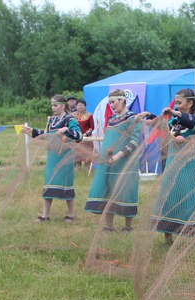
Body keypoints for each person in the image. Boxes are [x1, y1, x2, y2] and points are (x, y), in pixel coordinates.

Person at [144, 88, 195, 245]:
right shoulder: (175, 122)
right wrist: (149, 116)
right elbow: (162, 123)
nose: (177, 106)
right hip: (172, 165)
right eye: (175, 103)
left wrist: (175, 113)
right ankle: (168, 237)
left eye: (179, 103)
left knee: (191, 200)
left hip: (190, 167)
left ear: (190, 103)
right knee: (169, 197)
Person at [84, 89, 141, 232]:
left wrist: (118, 156)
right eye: (109, 103)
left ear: (122, 100)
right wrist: (101, 154)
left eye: (113, 102)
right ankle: (109, 226)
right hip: (108, 162)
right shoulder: (111, 119)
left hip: (125, 162)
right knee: (108, 190)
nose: (111, 105)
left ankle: (128, 227)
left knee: (127, 190)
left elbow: (135, 142)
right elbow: (109, 139)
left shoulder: (133, 118)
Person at [22, 94, 82, 223]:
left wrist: (66, 129)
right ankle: (45, 215)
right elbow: (47, 134)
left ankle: (70, 214)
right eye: (52, 105)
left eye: (55, 105)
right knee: (49, 183)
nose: (53, 108)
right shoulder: (52, 120)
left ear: (62, 106)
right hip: (52, 156)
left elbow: (79, 136)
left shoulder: (70, 120)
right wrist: (32, 131)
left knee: (66, 184)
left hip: (65, 156)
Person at [74, 99, 95, 169]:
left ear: (85, 106)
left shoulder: (89, 115)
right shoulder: (72, 116)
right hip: (76, 139)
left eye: (82, 105)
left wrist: (86, 134)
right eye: (79, 105)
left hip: (86, 139)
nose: (80, 107)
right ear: (76, 106)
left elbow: (92, 127)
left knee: (87, 156)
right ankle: (78, 171)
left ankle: (87, 171)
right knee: (77, 156)